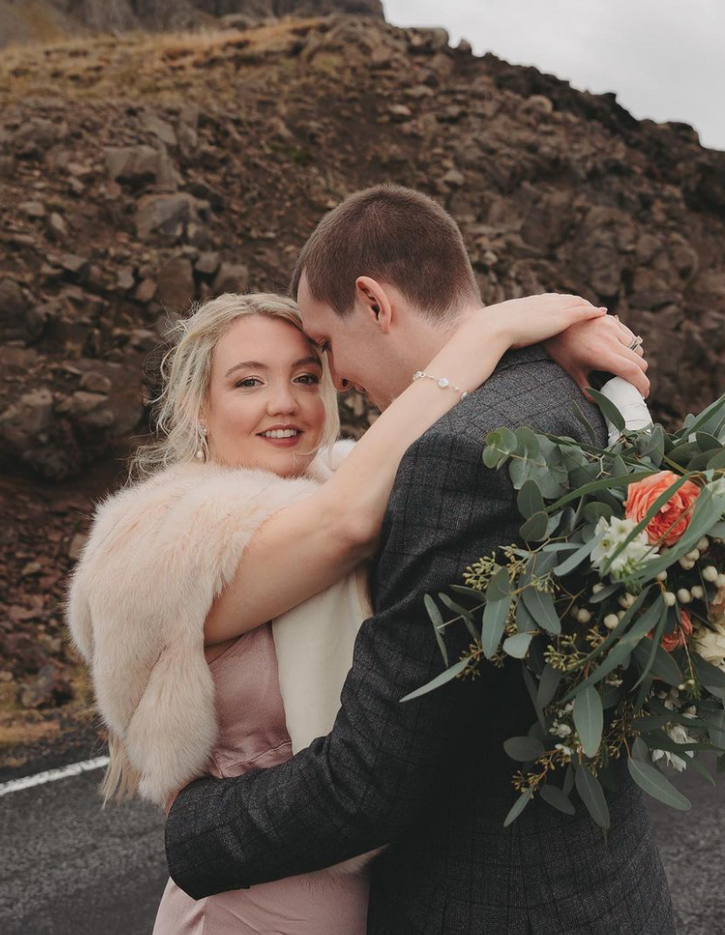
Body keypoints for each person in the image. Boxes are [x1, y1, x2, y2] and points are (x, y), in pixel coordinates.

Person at [162, 185, 673, 935]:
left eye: (324, 351)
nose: (332, 382)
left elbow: (368, 781)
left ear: (374, 303)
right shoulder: (574, 396)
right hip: (608, 882)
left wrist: (192, 826)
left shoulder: (453, 456)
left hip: (493, 904)